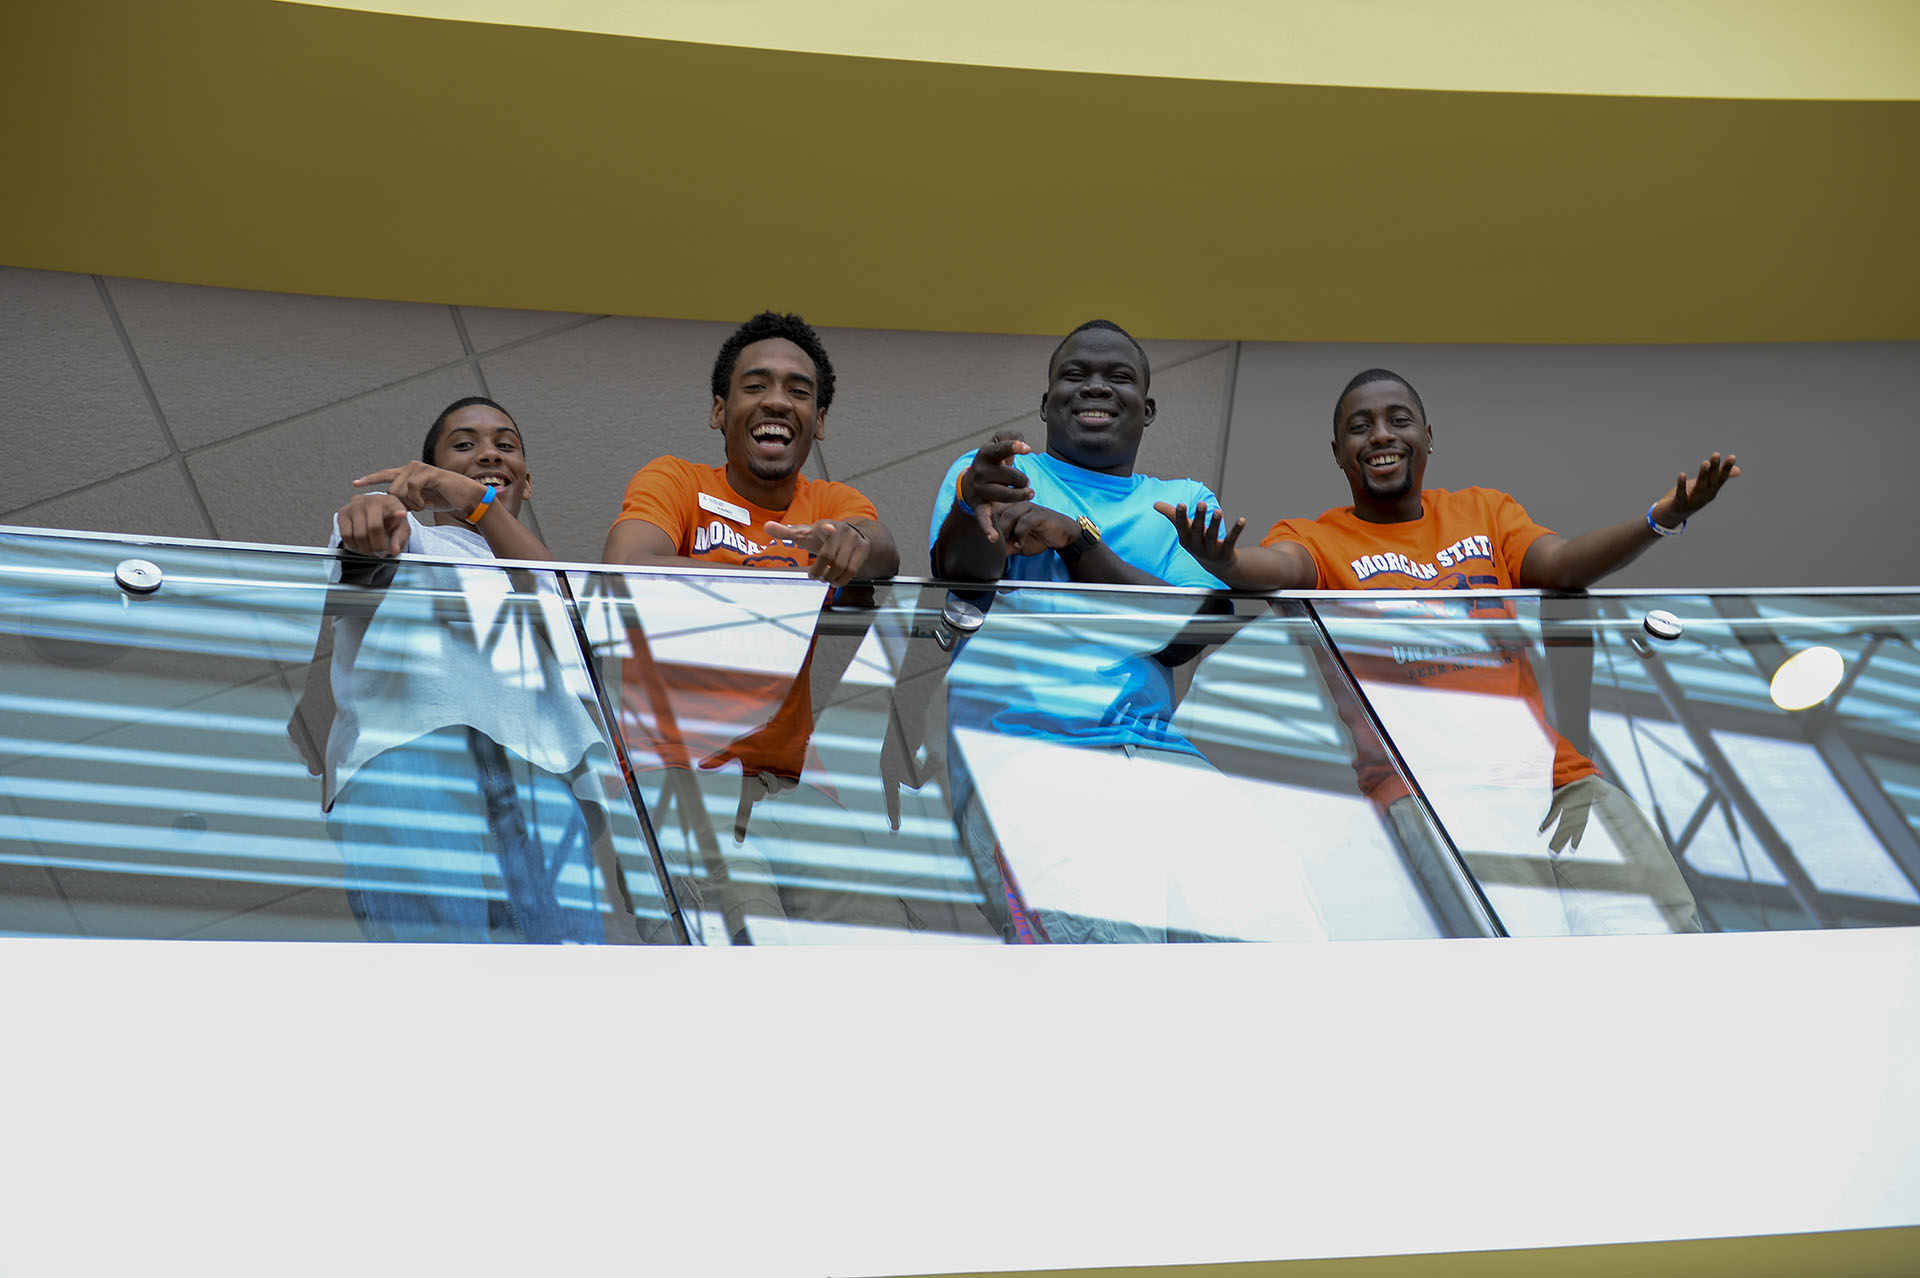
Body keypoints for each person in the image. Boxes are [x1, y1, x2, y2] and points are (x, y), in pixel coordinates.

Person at [1161, 367, 1740, 935]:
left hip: (1559, 784)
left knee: (1663, 954)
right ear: (1338, 452)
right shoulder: (1314, 538)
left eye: (1399, 419)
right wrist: (1224, 562)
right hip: (1435, 795)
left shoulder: (1484, 512)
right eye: (1360, 426)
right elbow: (1274, 569)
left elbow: (1563, 568)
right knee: (1520, 967)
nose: (1381, 434)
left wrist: (1661, 519)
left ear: (1429, 437)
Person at [928, 319, 1325, 943]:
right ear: (1044, 403)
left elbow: (1186, 635)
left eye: (1118, 377)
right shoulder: (993, 475)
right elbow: (962, 575)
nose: (1095, 388)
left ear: (1148, 407)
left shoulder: (1179, 500)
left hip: (1164, 760)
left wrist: (1075, 540)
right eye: (1074, 374)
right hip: (1029, 759)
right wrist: (970, 508)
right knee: (1110, 980)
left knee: (1282, 941)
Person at [600, 311, 902, 943]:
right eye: (755, 384)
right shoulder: (677, 480)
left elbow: (882, 548)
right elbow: (628, 565)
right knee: (746, 972)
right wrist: (772, 572)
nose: (777, 401)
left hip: (795, 790)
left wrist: (851, 542)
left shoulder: (829, 502)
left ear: (818, 423)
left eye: (799, 390)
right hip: (681, 779)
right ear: (719, 409)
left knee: (883, 960)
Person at [310, 396, 625, 943]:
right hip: (412, 755)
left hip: (541, 772)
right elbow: (365, 547)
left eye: (506, 446)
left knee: (569, 985)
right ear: (425, 476)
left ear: (527, 483)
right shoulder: (413, 536)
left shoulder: (544, 568)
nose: (488, 455)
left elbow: (572, 629)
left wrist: (485, 510)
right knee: (442, 978)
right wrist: (374, 518)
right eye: (464, 445)